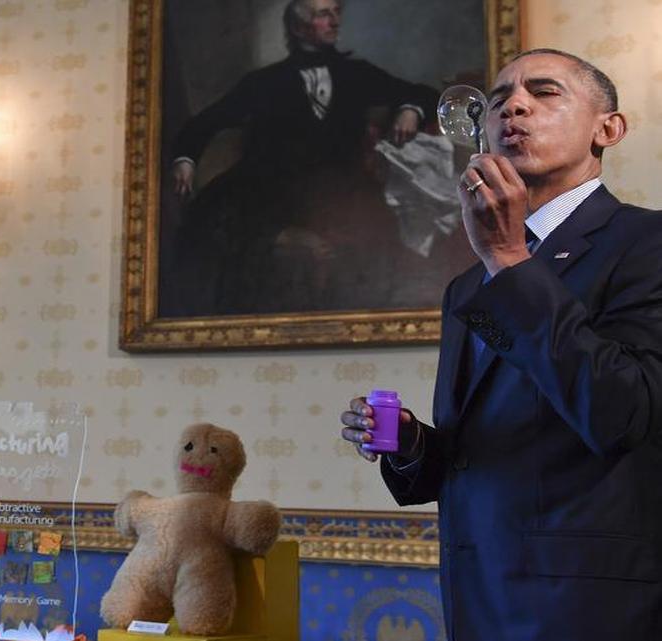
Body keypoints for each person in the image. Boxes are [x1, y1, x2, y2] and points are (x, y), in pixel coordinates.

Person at [339, 49, 662, 640]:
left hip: (590, 604)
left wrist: (509, 258)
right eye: (498, 99)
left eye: (544, 92)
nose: (513, 105)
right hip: (477, 595)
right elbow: (477, 454)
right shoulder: (470, 282)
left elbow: (623, 414)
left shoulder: (647, 243)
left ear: (607, 129)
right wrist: (411, 444)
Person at [164, 0, 438, 315]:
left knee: (377, 232)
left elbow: (422, 93)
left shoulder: (356, 74)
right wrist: (185, 159)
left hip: (339, 186)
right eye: (324, 15)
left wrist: (410, 109)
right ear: (298, 28)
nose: (335, 22)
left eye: (337, 13)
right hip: (271, 185)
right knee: (213, 230)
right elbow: (206, 122)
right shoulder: (264, 83)